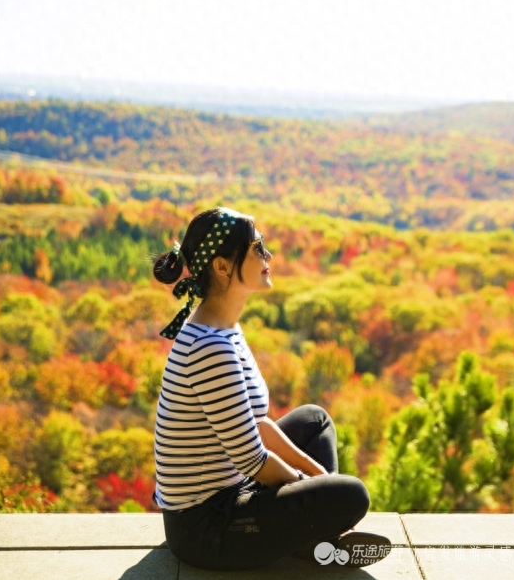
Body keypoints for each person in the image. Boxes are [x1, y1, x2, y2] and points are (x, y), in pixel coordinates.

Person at [151, 207, 391, 571]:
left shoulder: (224, 327)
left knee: (315, 421)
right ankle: (317, 538)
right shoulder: (209, 348)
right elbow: (252, 459)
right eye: (257, 248)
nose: (269, 256)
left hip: (233, 489)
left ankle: (314, 536)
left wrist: (321, 480)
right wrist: (308, 493)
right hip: (205, 529)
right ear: (221, 266)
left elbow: (257, 424)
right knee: (352, 495)